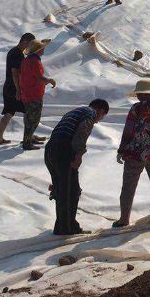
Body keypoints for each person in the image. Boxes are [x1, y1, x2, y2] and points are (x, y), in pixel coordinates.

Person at [45, 99, 110, 235]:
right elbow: (81, 134)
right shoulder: (90, 113)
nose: (98, 120)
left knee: (61, 190)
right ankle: (68, 228)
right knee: (71, 191)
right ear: (101, 110)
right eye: (102, 116)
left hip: (50, 149)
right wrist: (79, 155)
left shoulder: (74, 112)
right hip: (63, 150)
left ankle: (61, 226)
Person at [113, 79, 150, 228]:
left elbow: (129, 130)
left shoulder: (136, 109)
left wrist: (122, 150)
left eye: (138, 94)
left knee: (128, 187)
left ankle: (124, 220)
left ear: (142, 94)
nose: (137, 96)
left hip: (135, 154)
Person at [0, 32, 43, 146]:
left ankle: (28, 136)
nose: (31, 47)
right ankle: (24, 137)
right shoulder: (16, 53)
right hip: (13, 88)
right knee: (16, 112)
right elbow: (15, 72)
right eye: (30, 44)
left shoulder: (17, 52)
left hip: (12, 87)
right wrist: (18, 90)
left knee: (21, 112)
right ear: (24, 41)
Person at [19, 38, 56, 150]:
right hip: (33, 95)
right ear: (38, 50)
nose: (44, 49)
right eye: (42, 48)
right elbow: (40, 78)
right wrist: (50, 80)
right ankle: (27, 142)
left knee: (28, 117)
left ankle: (29, 137)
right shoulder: (35, 62)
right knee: (33, 119)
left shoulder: (27, 60)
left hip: (27, 93)